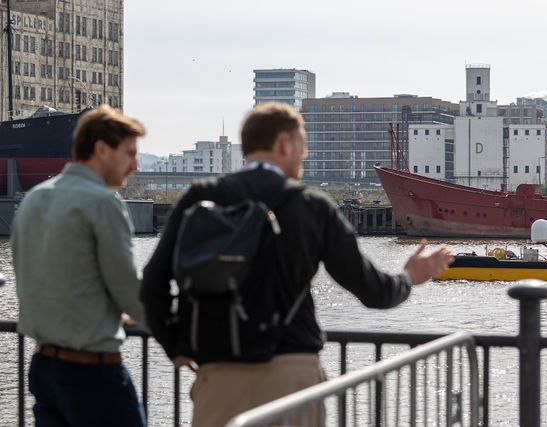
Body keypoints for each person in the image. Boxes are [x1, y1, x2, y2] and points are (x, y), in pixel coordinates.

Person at [140, 102, 453, 427]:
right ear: (283, 145)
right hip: (293, 375)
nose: (304, 155)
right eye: (302, 143)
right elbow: (373, 291)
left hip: (219, 371)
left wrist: (176, 346)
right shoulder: (311, 206)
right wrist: (409, 276)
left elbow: (152, 285)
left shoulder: (199, 197)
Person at [11, 105, 147, 427]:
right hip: (92, 372)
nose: (135, 165)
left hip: (43, 367)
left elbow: (32, 278)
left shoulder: (33, 199)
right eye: (129, 153)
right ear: (101, 149)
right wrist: (181, 340)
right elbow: (128, 289)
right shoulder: (102, 202)